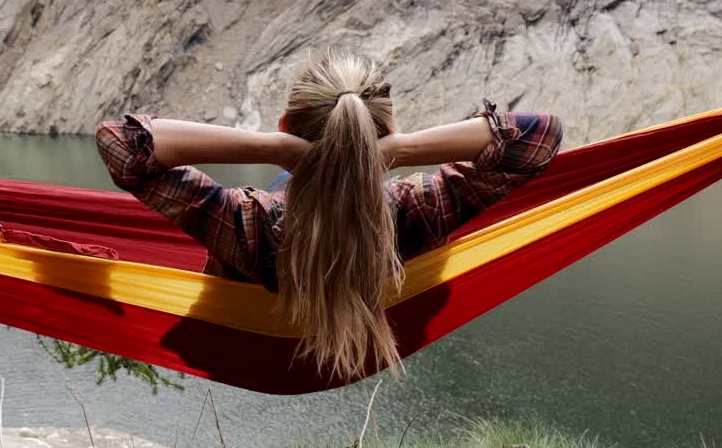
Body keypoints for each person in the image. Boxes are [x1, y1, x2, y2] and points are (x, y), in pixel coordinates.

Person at [96, 49, 563, 380]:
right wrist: (393, 151)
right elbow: (540, 137)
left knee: (289, 195)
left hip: (259, 331)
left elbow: (121, 144)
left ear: (285, 129)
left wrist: (273, 149)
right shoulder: (413, 210)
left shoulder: (248, 225)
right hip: (364, 317)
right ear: (385, 133)